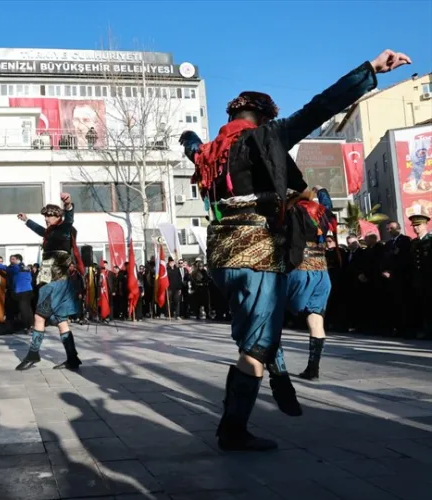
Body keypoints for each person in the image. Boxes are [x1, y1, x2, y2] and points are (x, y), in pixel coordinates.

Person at [180, 49, 411, 452]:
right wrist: (370, 70)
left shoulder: (211, 153)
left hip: (220, 257)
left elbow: (192, 146)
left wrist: (188, 138)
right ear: (262, 117)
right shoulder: (263, 138)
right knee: (257, 342)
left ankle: (277, 375)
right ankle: (235, 427)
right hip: (256, 252)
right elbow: (319, 108)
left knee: (254, 330)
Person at [15, 193, 84, 370]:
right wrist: (27, 220)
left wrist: (68, 203)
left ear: (58, 216)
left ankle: (33, 354)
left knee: (39, 317)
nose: (46, 219)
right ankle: (72, 358)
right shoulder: (50, 232)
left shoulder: (65, 228)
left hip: (54, 281)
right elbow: (40, 230)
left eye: (50, 216)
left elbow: (69, 217)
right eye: (45, 216)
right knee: (61, 320)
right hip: (55, 280)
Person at [286, 186, 337, 383]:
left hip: (299, 270)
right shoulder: (322, 212)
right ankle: (313, 369)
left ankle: (271, 361)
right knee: (316, 321)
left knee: (274, 312)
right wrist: (322, 191)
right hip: (322, 272)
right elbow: (328, 205)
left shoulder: (292, 210)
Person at [0, 254, 34, 330]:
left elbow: (5, 268)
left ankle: (27, 327)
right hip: (29, 290)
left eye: (13, 259)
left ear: (18, 260)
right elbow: (30, 278)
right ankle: (31, 324)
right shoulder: (26, 267)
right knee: (28, 308)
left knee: (23, 309)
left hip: (21, 291)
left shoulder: (15, 267)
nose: (11, 261)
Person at [409, 213, 432, 339]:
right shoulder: (414, 243)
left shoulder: (430, 240)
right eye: (414, 225)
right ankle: (426, 330)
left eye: (418, 225)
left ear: (425, 225)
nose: (415, 228)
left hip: (429, 278)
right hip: (418, 279)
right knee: (422, 305)